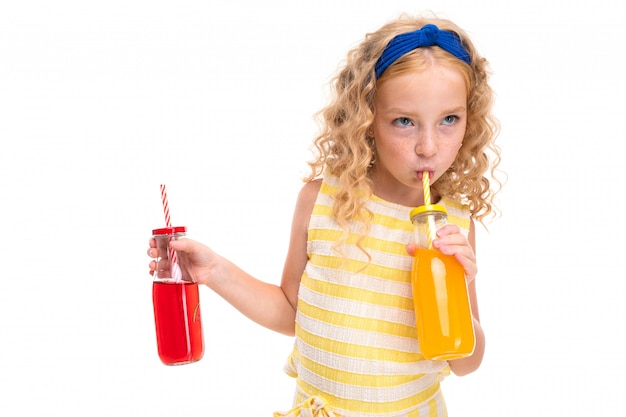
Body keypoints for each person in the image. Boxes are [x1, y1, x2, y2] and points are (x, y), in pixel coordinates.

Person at [148, 13, 500, 417]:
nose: (428, 147)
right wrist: (215, 272)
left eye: (448, 121)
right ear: (367, 120)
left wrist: (458, 283)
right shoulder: (322, 201)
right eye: (405, 121)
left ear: (469, 121)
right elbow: (291, 312)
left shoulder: (451, 223)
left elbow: (467, 362)